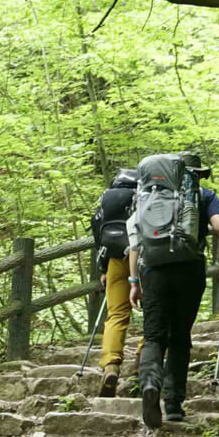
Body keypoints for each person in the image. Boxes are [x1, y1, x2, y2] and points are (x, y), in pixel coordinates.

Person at [129, 152, 219, 429]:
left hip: (154, 271)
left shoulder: (148, 195)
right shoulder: (204, 195)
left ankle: (149, 384)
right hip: (189, 270)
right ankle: (174, 404)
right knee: (180, 336)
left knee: (154, 336)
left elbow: (134, 242)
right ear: (194, 174)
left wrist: (134, 282)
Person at [89, 169, 138, 397]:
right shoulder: (142, 195)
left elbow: (98, 232)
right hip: (139, 260)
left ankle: (110, 366)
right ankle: (143, 360)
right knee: (153, 312)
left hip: (114, 261)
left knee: (116, 314)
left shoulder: (107, 198)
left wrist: (102, 267)